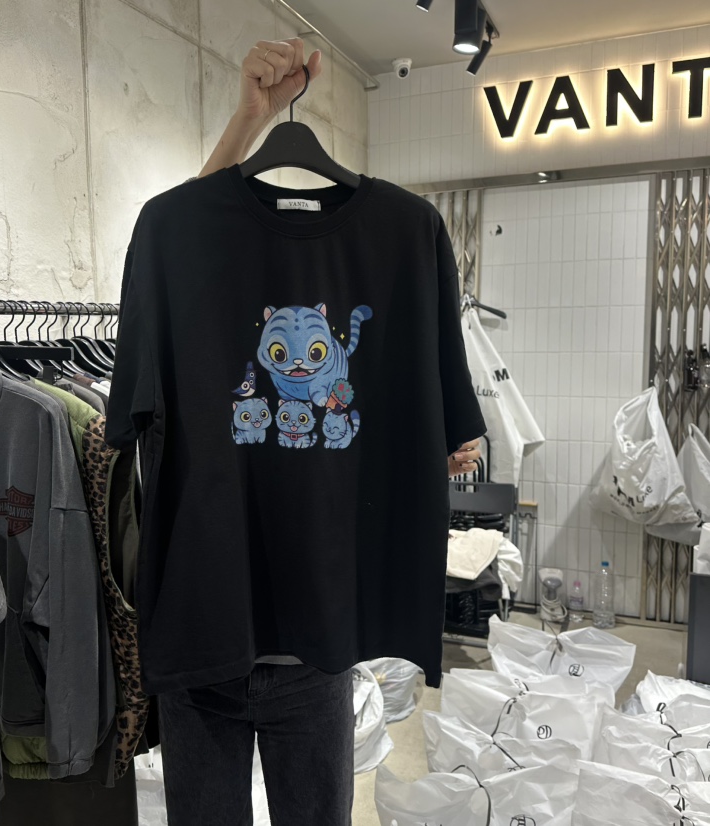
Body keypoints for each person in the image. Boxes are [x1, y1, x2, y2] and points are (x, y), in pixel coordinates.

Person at [154, 37, 482, 825]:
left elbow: (447, 438)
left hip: (318, 649)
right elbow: (181, 242)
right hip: (203, 642)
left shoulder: (411, 239)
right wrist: (246, 121)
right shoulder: (175, 235)